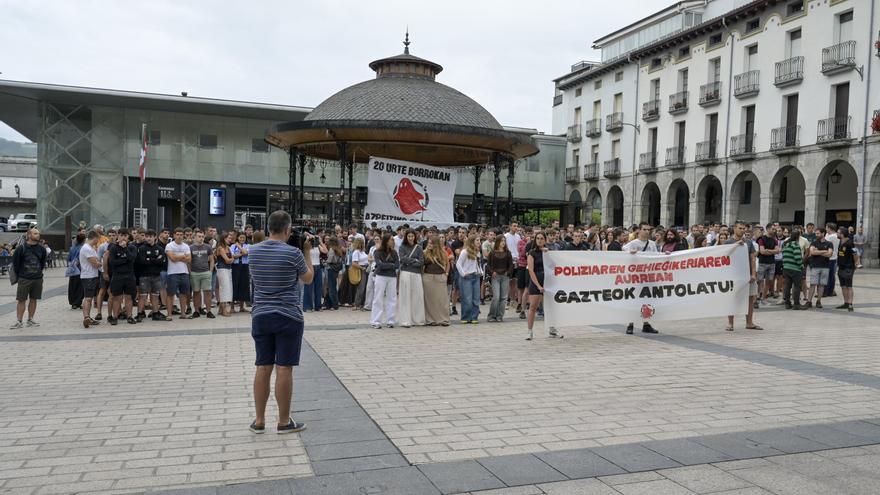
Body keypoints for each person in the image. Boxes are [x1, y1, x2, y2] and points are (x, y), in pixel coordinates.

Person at [247, 210, 313, 435]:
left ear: (268, 228)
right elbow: (308, 278)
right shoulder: (294, 253)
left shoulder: (253, 251)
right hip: (287, 315)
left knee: (262, 366)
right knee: (284, 368)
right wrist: (307, 252)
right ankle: (284, 421)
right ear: (287, 230)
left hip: (261, 314)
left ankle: (259, 420)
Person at [623, 223, 659, 335]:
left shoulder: (652, 244)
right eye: (644, 229)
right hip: (635, 277)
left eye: (649, 230)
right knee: (634, 300)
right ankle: (630, 324)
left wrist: (666, 255)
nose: (647, 232)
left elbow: (657, 257)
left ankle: (646, 323)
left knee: (647, 300)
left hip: (648, 276)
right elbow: (622, 252)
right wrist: (630, 253)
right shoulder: (632, 244)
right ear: (639, 230)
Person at [726, 221, 761, 331]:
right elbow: (724, 257)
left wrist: (753, 274)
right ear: (734, 228)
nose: (742, 230)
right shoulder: (728, 242)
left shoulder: (749, 242)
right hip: (733, 275)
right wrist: (736, 246)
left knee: (750, 299)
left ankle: (749, 323)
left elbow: (752, 258)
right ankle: (730, 323)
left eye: (744, 228)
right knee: (732, 299)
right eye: (740, 228)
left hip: (748, 275)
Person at [525, 232, 560, 340]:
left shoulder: (547, 252)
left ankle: (552, 329)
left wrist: (548, 253)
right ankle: (529, 331)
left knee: (551, 307)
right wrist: (538, 285)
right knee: (533, 307)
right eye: (538, 238)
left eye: (541, 238)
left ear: (545, 240)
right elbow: (531, 270)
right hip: (537, 281)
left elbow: (555, 265)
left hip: (548, 281)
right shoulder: (531, 253)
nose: (539, 240)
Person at [10, 228, 46, 329]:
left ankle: (30, 319)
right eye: (35, 233)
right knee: (21, 300)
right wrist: (21, 275)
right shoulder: (21, 248)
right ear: (29, 235)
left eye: (38, 233)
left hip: (38, 278)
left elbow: (42, 263)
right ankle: (19, 321)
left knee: (34, 299)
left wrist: (38, 274)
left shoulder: (42, 249)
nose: (38, 235)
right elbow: (16, 264)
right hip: (24, 279)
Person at [107, 228, 139, 325]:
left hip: (129, 275)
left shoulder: (132, 247)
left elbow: (132, 259)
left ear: (128, 237)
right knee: (117, 298)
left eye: (125, 236)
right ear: (118, 236)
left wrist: (125, 249)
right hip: (118, 276)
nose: (123, 237)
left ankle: (129, 316)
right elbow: (112, 262)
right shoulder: (113, 248)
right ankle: (115, 317)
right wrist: (125, 260)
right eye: (121, 235)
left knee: (129, 297)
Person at [136, 230, 169, 321]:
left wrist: (149, 260)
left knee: (155, 295)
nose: (148, 238)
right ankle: (139, 313)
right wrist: (155, 259)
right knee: (143, 296)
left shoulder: (160, 249)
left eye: (150, 236)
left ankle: (155, 313)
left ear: (155, 237)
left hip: (156, 275)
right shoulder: (142, 248)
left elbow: (161, 262)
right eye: (147, 237)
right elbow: (142, 262)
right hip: (144, 276)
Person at [397, 229, 426, 328]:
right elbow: (402, 259)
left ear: (415, 237)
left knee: (417, 297)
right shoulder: (402, 247)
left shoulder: (419, 248)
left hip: (416, 274)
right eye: (409, 236)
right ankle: (406, 319)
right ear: (406, 237)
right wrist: (414, 260)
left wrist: (410, 261)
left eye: (412, 236)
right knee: (405, 297)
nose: (411, 238)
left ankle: (417, 319)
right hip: (405, 273)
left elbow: (421, 262)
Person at [370, 233, 399, 329]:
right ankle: (376, 321)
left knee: (392, 298)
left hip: (392, 277)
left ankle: (391, 320)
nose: (393, 241)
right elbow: (380, 265)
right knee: (378, 298)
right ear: (386, 241)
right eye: (391, 239)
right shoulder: (377, 252)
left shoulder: (394, 252)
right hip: (380, 276)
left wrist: (387, 264)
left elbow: (397, 265)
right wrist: (390, 265)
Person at [422, 236, 451, 326]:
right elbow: (422, 265)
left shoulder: (443, 253)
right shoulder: (424, 253)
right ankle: (431, 320)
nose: (429, 244)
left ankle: (444, 319)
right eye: (429, 243)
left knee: (442, 300)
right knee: (429, 300)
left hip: (440, 277)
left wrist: (446, 273)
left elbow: (447, 264)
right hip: (428, 277)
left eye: (431, 243)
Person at [165, 227, 192, 320]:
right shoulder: (169, 246)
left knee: (184, 293)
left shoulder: (186, 246)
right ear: (174, 235)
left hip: (184, 272)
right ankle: (169, 314)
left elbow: (189, 259)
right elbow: (172, 258)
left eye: (181, 235)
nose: (179, 236)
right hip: (172, 273)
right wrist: (183, 256)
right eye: (177, 234)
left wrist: (178, 257)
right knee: (170, 294)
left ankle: (183, 313)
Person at [456, 234, 483, 325]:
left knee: (476, 298)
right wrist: (463, 274)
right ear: (472, 242)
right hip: (467, 277)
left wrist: (480, 271)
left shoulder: (477, 252)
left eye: (479, 240)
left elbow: (477, 264)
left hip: (476, 276)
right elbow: (458, 264)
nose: (479, 242)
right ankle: (465, 317)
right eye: (477, 240)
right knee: (467, 298)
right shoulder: (465, 251)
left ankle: (474, 317)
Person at [78, 231, 102, 327]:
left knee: (90, 297)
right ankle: (86, 317)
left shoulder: (90, 248)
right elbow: (95, 263)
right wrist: (100, 263)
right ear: (94, 238)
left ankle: (88, 317)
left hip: (91, 275)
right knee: (88, 298)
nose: (98, 241)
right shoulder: (87, 248)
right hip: (89, 276)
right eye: (98, 239)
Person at [486, 236, 514, 323]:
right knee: (496, 297)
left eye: (504, 241)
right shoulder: (492, 253)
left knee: (503, 297)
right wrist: (492, 272)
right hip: (495, 276)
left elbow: (511, 265)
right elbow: (488, 265)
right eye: (501, 241)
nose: (503, 242)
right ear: (497, 242)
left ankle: (500, 316)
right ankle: (492, 315)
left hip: (505, 276)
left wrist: (508, 272)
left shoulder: (508, 253)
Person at [190, 230, 215, 318]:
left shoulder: (208, 247)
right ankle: (196, 310)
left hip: (205, 272)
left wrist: (210, 271)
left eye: (202, 236)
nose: (201, 238)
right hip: (194, 272)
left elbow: (212, 260)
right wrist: (190, 272)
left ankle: (208, 311)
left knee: (207, 292)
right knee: (196, 292)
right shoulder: (191, 248)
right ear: (195, 237)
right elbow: (189, 261)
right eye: (199, 236)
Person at [806, 229, 833, 309]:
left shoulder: (829, 243)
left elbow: (829, 254)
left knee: (821, 285)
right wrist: (824, 251)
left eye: (818, 233)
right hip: (815, 266)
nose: (816, 235)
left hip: (825, 267)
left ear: (823, 233)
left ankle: (818, 301)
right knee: (812, 285)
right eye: (816, 233)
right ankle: (809, 301)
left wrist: (818, 251)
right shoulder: (814, 243)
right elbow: (812, 252)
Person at [780, 229, 806, 310]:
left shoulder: (785, 244)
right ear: (798, 236)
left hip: (786, 268)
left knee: (787, 286)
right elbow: (798, 258)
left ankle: (787, 303)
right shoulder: (795, 244)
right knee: (797, 287)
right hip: (795, 269)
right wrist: (802, 266)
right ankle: (796, 304)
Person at [755, 223, 779, 306]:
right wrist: (772, 251)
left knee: (769, 281)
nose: (774, 230)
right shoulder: (761, 239)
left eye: (775, 229)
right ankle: (756, 297)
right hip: (762, 262)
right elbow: (762, 251)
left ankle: (764, 298)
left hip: (772, 263)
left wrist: (768, 250)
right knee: (759, 280)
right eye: (773, 229)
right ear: (768, 229)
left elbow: (777, 251)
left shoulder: (775, 240)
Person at [215, 231, 235, 317]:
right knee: (224, 288)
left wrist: (231, 260)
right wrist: (231, 259)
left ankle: (220, 309)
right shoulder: (220, 248)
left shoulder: (228, 247)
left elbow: (231, 259)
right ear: (224, 239)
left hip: (228, 269)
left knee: (228, 288)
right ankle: (223, 309)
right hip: (222, 269)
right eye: (228, 238)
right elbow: (228, 260)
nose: (230, 240)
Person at [835, 228, 856, 311]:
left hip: (848, 268)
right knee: (843, 286)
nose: (837, 234)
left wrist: (856, 263)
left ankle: (850, 304)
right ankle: (846, 303)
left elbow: (855, 254)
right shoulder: (841, 242)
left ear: (842, 234)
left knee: (849, 286)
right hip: (841, 267)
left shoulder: (850, 243)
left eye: (838, 233)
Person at [231, 232, 251, 313]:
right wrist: (241, 253)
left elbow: (246, 252)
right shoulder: (232, 246)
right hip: (235, 266)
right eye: (240, 237)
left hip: (245, 266)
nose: (242, 239)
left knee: (244, 285)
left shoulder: (248, 246)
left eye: (243, 238)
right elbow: (233, 256)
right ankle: (232, 307)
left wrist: (239, 246)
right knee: (234, 285)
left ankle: (242, 307)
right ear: (238, 238)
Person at [325, 237, 344, 311]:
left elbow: (329, 260)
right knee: (334, 287)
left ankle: (334, 305)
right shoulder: (338, 249)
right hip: (336, 270)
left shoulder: (331, 249)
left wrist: (324, 262)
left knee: (331, 288)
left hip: (331, 269)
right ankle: (333, 304)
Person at [350, 237, 369, 310]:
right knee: (361, 288)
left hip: (365, 268)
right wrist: (361, 268)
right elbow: (354, 263)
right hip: (361, 269)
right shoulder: (356, 252)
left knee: (364, 287)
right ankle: (357, 303)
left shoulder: (363, 252)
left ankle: (361, 303)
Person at [67, 233, 85, 310]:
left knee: (72, 286)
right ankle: (77, 302)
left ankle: (73, 302)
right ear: (84, 240)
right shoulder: (83, 248)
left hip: (72, 269)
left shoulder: (72, 248)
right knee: (80, 287)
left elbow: (69, 259)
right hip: (80, 269)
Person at [823, 223, 840, 298]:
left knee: (828, 275)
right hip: (834, 257)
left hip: (829, 257)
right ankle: (830, 290)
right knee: (831, 275)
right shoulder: (836, 235)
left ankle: (827, 291)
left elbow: (823, 242)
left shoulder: (831, 237)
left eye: (826, 228)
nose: (826, 229)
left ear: (829, 228)